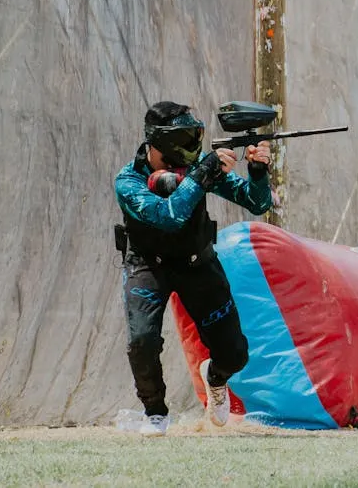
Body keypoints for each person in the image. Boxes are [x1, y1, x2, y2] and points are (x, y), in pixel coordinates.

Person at [113, 101, 273, 436]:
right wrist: (203, 174)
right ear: (159, 142)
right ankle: (155, 413)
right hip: (147, 267)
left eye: (194, 136)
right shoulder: (128, 180)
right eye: (184, 137)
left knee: (235, 355)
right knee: (142, 342)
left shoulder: (199, 167)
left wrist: (257, 171)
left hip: (197, 265)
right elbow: (168, 216)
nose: (192, 146)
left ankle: (215, 377)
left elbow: (256, 203)